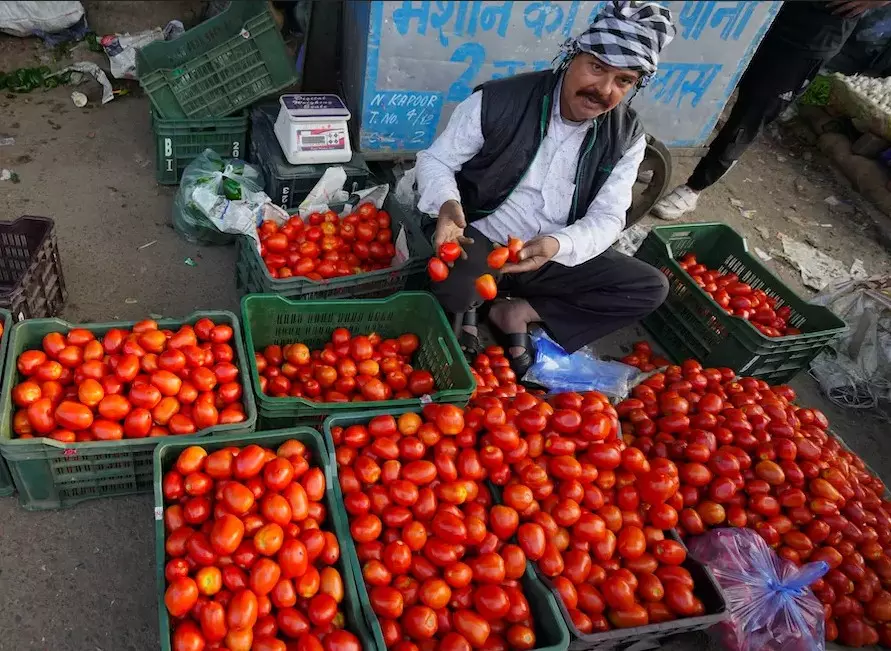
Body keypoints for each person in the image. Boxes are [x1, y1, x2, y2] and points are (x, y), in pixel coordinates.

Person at [415, 1, 676, 376]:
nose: (603, 90)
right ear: (572, 56)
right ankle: (470, 304)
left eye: (623, 81)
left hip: (546, 252)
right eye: (597, 67)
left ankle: (515, 311)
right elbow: (435, 161)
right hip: (480, 240)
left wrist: (557, 245)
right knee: (457, 283)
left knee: (648, 287)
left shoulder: (627, 136)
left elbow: (608, 217)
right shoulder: (499, 100)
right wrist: (446, 204)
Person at [653, 0, 890, 220]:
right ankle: (651, 152)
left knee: (753, 112)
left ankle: (694, 187)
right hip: (750, 11)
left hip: (810, 30)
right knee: (696, 79)